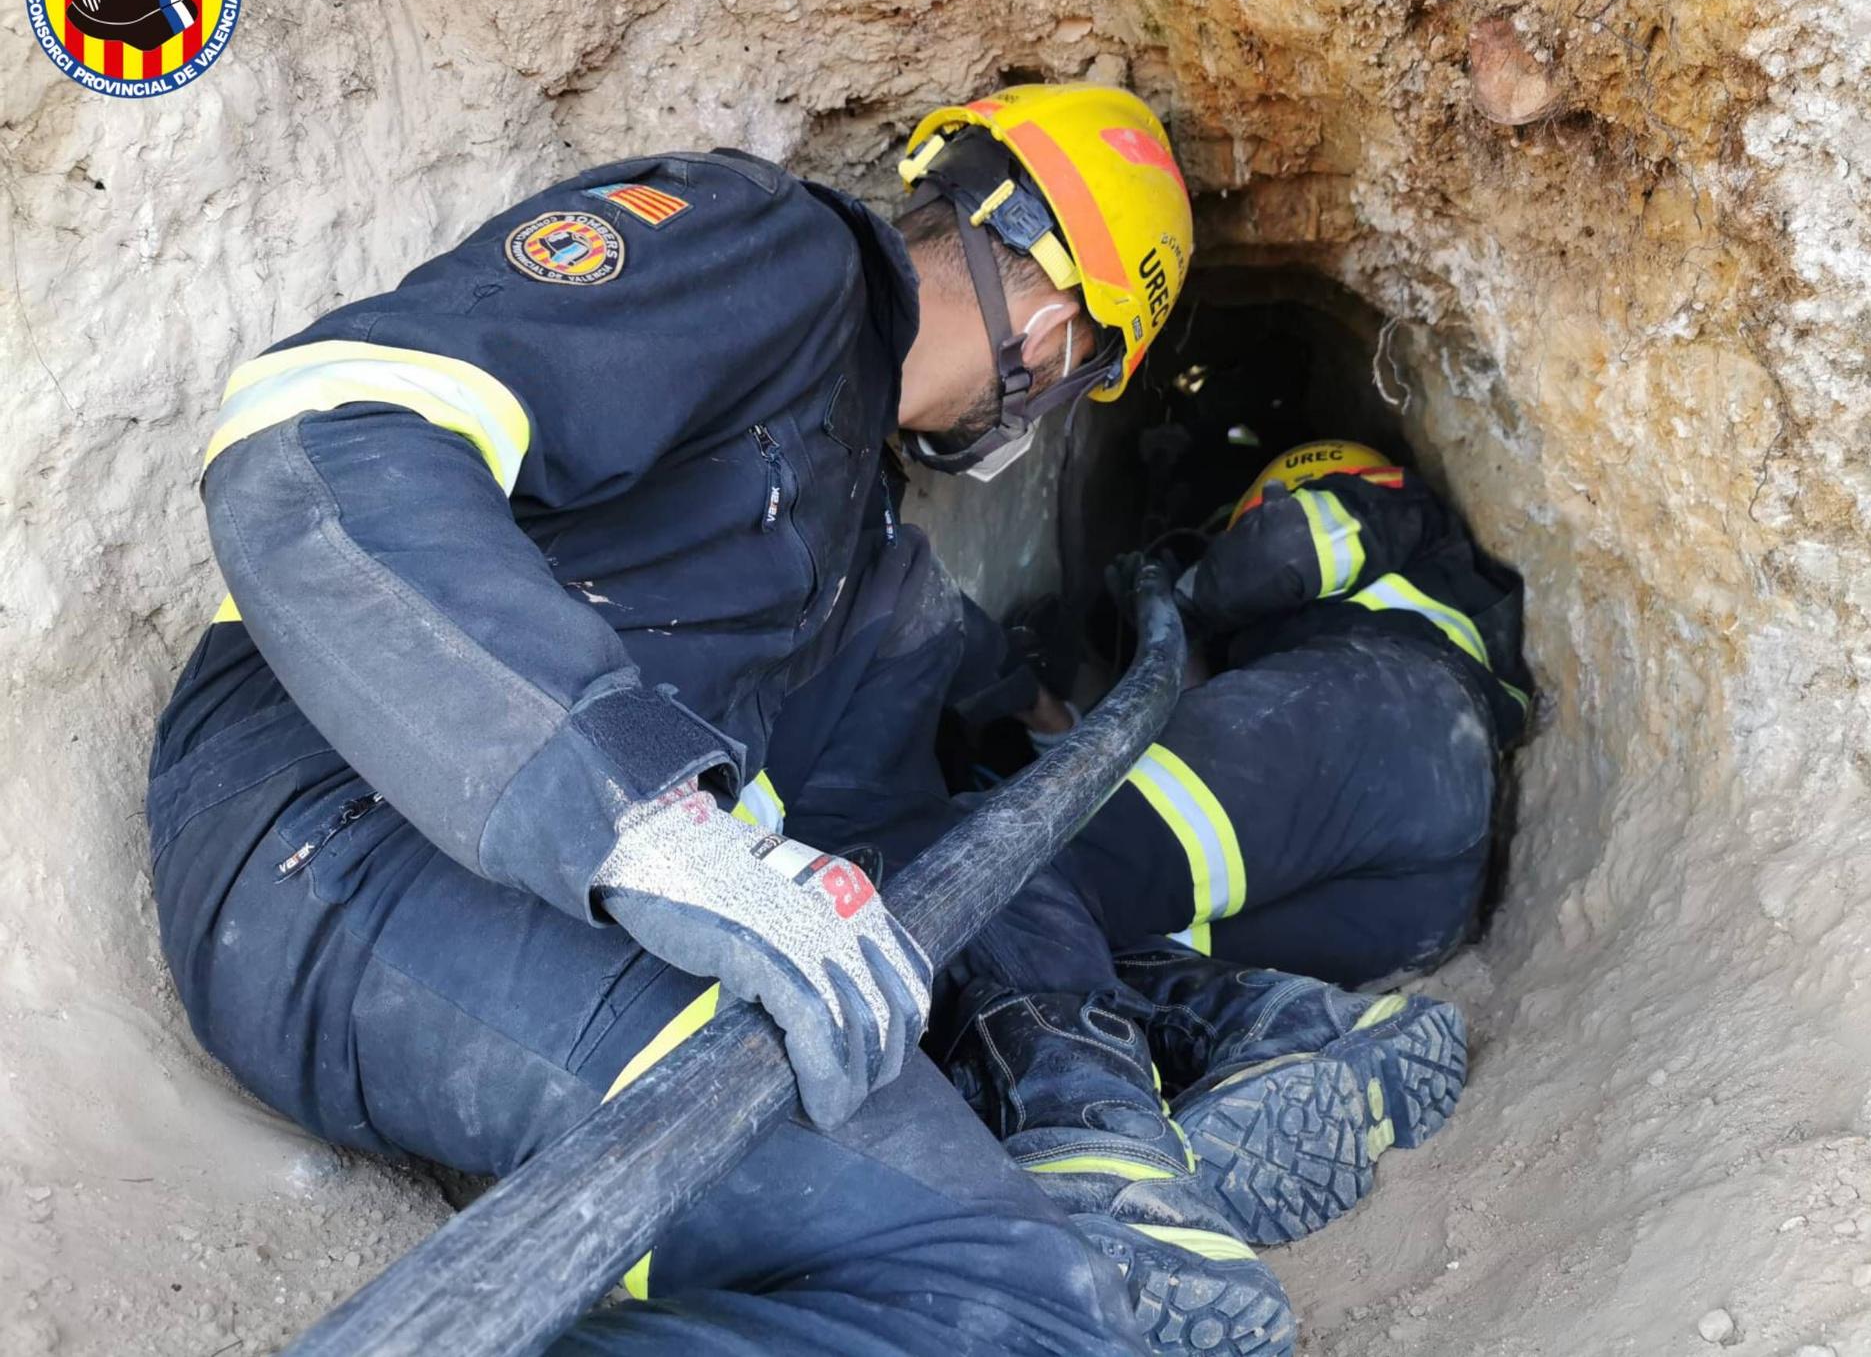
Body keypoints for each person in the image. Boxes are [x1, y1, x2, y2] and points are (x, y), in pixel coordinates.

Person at [146, 85, 1249, 1356]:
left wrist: (1053, 1045)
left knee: (1019, 1285)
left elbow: (883, 827)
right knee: (1005, 1302)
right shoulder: (766, 252)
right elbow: (320, 431)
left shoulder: (858, 544)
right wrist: (640, 821)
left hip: (511, 895)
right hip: (337, 822)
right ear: (1054, 341)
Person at [943, 440, 1531, 1253]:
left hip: (1369, 719)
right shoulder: (1455, 612)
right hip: (1426, 885)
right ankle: (1307, 1028)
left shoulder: (1383, 500)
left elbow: (1287, 552)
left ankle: (1100, 1150)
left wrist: (1183, 582)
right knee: (1085, 938)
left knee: (1003, 859)